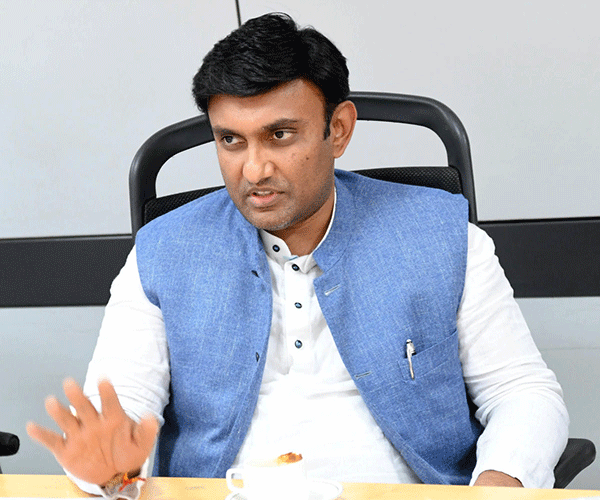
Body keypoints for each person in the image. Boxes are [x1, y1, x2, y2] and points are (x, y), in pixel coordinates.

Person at [27, 12, 568, 499]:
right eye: (231, 141)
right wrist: (109, 471)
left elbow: (522, 391)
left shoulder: (445, 236)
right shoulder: (161, 252)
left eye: (280, 135)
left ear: (339, 129)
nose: (254, 169)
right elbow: (119, 416)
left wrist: (499, 484)